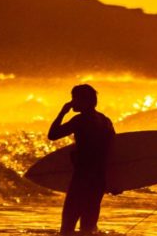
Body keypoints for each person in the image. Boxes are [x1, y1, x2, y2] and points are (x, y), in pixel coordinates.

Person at [48, 84, 115, 235]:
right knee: (88, 228)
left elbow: (52, 135)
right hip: (99, 181)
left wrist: (62, 112)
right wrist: (115, 182)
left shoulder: (80, 120)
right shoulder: (105, 121)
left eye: (74, 98)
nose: (72, 102)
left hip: (82, 179)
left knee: (67, 228)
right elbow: (112, 153)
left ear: (84, 101)